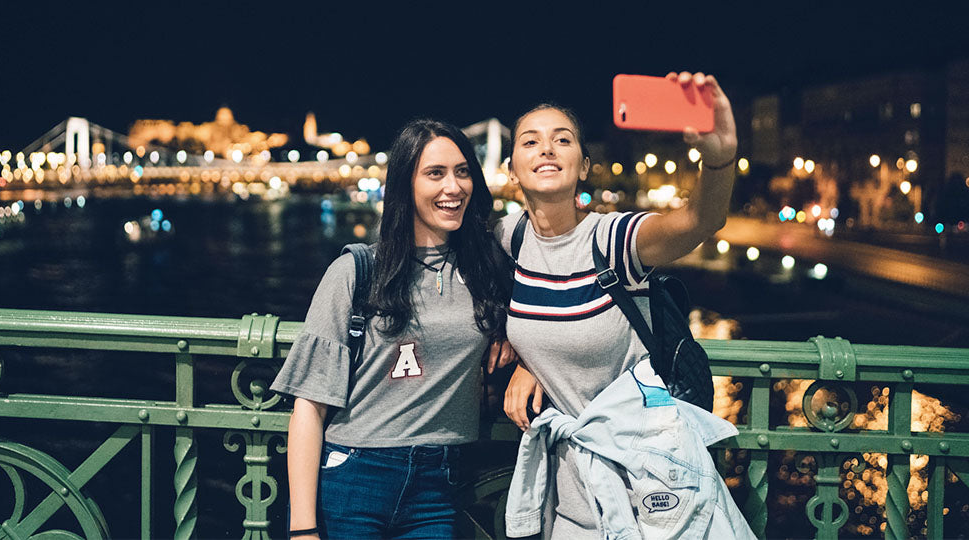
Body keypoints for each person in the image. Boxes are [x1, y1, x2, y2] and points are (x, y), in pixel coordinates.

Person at [498, 72, 755, 538]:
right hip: (571, 500)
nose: (547, 149)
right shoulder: (509, 238)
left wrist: (718, 161)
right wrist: (525, 355)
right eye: (530, 142)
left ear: (583, 165)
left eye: (563, 140)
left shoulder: (612, 238)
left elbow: (700, 220)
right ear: (513, 168)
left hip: (653, 493)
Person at [271, 118, 515, 539]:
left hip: (439, 486)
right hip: (354, 478)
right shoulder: (356, 271)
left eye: (462, 171)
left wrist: (519, 343)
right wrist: (302, 529)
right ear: (404, 184)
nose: (453, 187)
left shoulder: (486, 269)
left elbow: (556, 288)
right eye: (435, 174)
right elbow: (309, 410)